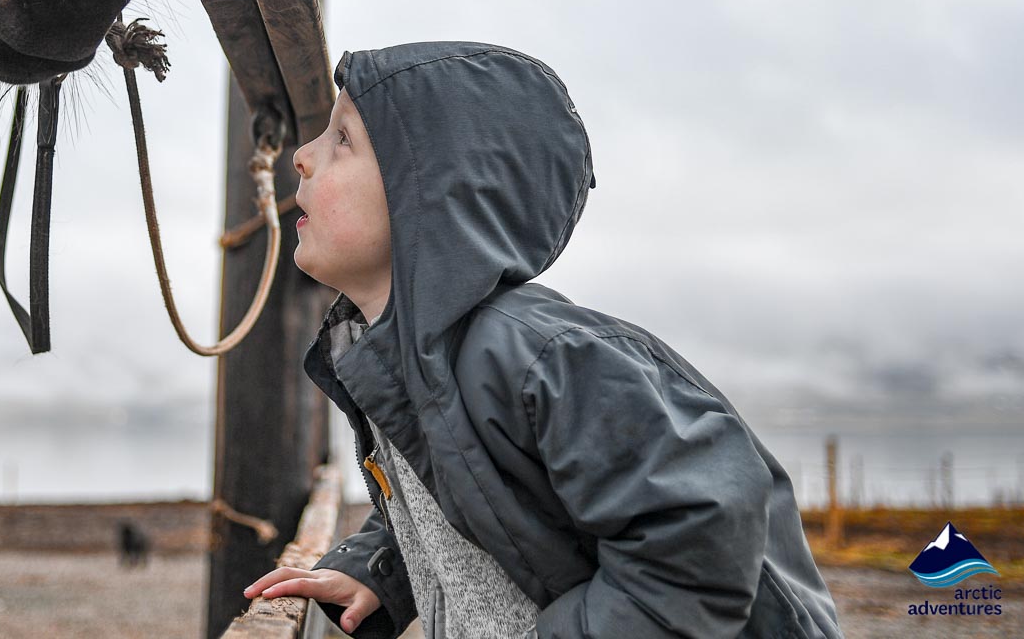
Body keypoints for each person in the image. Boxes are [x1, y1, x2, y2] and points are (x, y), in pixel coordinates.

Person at [242, 42, 842, 638]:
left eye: (342, 139)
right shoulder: (401, 362)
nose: (301, 156)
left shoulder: (538, 357)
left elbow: (701, 526)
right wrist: (383, 571)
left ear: (434, 193)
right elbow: (478, 495)